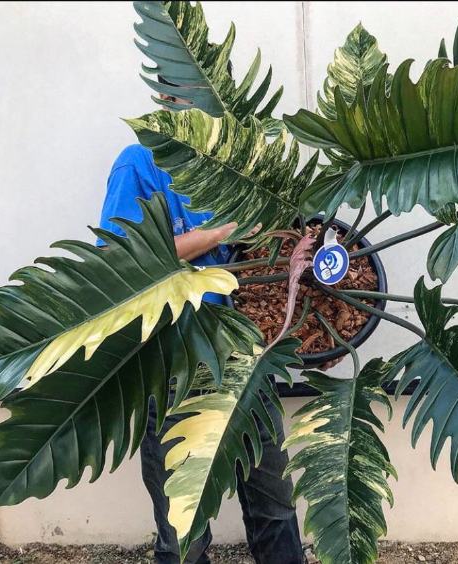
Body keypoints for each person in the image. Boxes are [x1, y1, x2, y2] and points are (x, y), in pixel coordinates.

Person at [97, 111, 304, 563]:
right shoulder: (141, 163)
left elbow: (271, 254)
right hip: (171, 363)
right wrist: (221, 233)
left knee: (275, 504)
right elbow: (122, 259)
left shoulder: (233, 170)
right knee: (182, 526)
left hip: (246, 357)